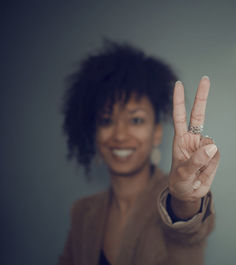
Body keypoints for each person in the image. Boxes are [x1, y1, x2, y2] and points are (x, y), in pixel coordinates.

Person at [58, 41, 220, 265]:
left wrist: (184, 200)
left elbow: (188, 230)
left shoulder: (174, 201)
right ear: (94, 132)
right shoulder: (82, 212)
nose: (120, 135)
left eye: (136, 120)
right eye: (106, 120)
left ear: (157, 133)